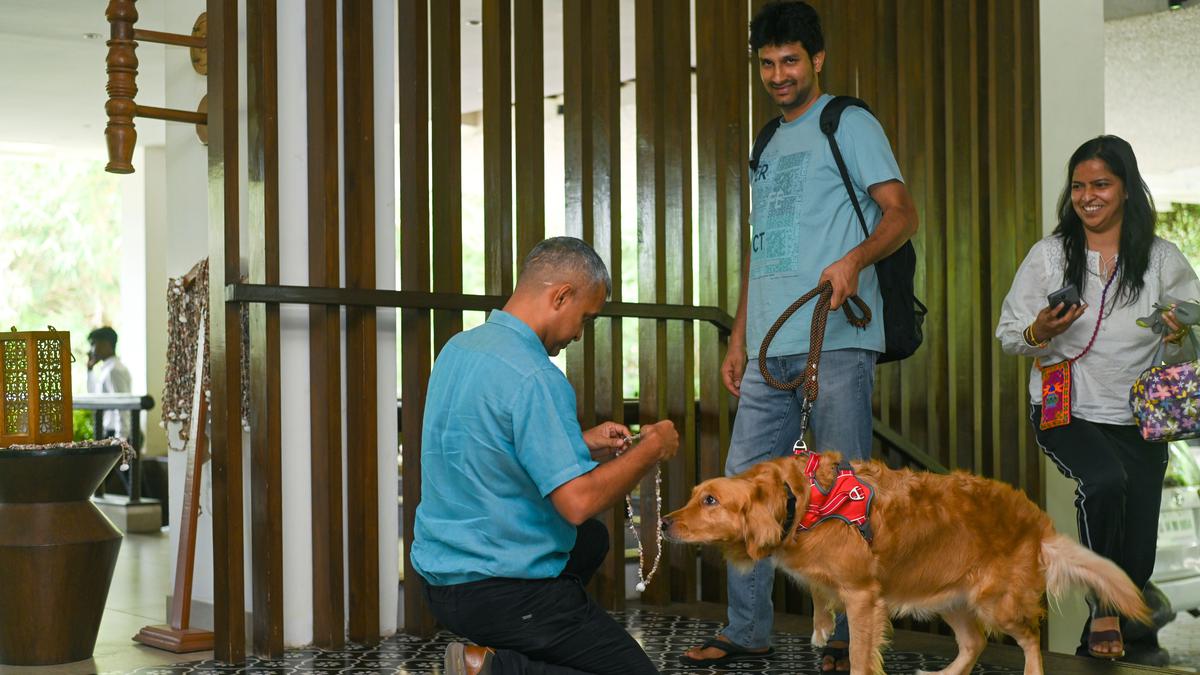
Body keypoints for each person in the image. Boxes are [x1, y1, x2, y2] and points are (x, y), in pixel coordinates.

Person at [681, 2, 918, 672]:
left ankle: (850, 637)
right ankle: (747, 627)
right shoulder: (766, 139)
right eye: (767, 63)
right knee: (739, 485)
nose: (779, 74)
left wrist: (854, 260)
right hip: (767, 345)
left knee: (842, 489)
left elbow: (903, 212)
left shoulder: (849, 121)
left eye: (791, 60)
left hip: (838, 336)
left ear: (817, 60)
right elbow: (763, 250)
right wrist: (738, 337)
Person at [411, 236, 680, 675]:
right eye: (585, 318)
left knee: (592, 542)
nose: (578, 333)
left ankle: (520, 646)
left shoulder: (458, 349)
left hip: (441, 579)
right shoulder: (536, 375)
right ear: (561, 296)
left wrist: (577, 441)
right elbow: (577, 503)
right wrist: (651, 450)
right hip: (500, 590)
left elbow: (483, 439)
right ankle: (496, 668)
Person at [996, 135, 1200, 661]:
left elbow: (1190, 345)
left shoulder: (1161, 259)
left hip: (1139, 418)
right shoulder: (1048, 256)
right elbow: (1008, 334)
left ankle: (1108, 639)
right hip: (1064, 409)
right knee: (1103, 481)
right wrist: (1040, 329)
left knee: (1137, 557)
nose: (1088, 196)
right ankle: (1101, 608)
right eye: (1079, 186)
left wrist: (1180, 334)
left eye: (1101, 185)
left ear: (1127, 190)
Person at [87, 326, 132, 440]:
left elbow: (122, 406)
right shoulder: (106, 369)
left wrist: (121, 439)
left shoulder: (114, 370)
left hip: (117, 434)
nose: (91, 350)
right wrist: (90, 369)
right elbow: (93, 396)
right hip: (110, 432)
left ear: (106, 344)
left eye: (93, 344)